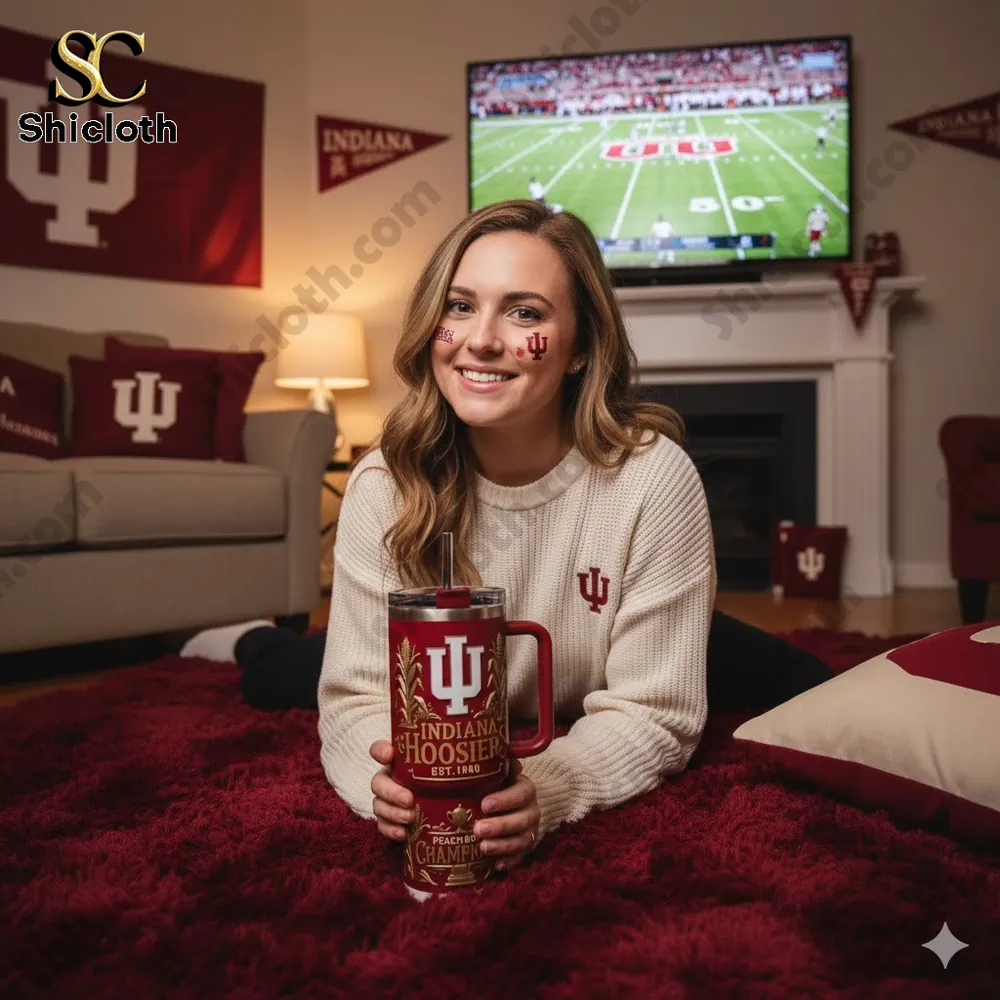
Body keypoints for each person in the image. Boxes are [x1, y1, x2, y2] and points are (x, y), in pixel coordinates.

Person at [182, 199, 834, 878]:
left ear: (581, 346)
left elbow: (655, 713)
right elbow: (356, 700)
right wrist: (387, 781)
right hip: (448, 690)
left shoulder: (652, 477)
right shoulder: (384, 482)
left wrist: (553, 785)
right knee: (284, 673)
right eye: (459, 306)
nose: (482, 340)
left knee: (807, 686)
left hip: (596, 653)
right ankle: (250, 638)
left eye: (525, 313)